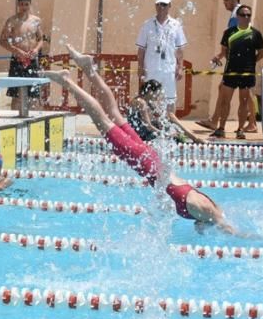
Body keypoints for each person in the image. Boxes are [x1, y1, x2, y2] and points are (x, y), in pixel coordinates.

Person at [43, 45, 233, 232]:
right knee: (102, 120)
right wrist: (239, 235)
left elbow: (198, 221)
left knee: (113, 113)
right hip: (144, 161)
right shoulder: (205, 209)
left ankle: (88, 68)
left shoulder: (209, 207)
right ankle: (67, 81)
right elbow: (225, 228)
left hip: (149, 156)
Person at [203, 5, 263, 139]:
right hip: (231, 71)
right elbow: (224, 51)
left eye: (248, 15)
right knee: (225, 101)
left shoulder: (256, 34)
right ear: (237, 16)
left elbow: (261, 53)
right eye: (243, 15)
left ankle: (240, 129)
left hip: (247, 73)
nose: (246, 17)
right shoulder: (229, 32)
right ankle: (221, 128)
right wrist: (224, 59)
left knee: (244, 102)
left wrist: (251, 62)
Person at [135, 0, 186, 114]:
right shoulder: (147, 25)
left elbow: (179, 49)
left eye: (164, 4)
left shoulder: (176, 25)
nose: (161, 7)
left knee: (170, 99)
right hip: (151, 68)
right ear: (155, 5)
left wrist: (180, 67)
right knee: (149, 97)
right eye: (158, 4)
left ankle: (170, 123)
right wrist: (140, 67)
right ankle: (149, 122)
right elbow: (141, 49)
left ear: (169, 6)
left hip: (169, 69)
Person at [0, 0, 44, 112]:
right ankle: (14, 118)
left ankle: (33, 118)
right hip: (17, 60)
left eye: (26, 4)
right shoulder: (12, 21)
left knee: (33, 95)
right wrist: (16, 50)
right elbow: (2, 41)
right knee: (16, 94)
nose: (24, 7)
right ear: (18, 5)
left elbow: (41, 39)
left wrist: (36, 49)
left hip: (32, 60)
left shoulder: (36, 21)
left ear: (30, 4)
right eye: (22, 4)